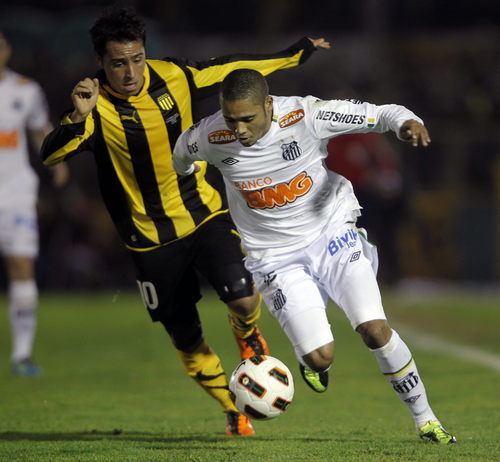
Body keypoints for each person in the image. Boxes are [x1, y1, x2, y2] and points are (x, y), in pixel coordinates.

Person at [40, 6, 329, 436]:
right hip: (149, 240)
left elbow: (233, 69)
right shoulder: (93, 105)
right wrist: (76, 117)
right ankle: (233, 406)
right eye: (118, 63)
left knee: (244, 299)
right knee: (187, 339)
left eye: (137, 59)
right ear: (100, 61)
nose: (130, 72)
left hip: (204, 214)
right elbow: (51, 155)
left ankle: (247, 335)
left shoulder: (173, 76)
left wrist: (295, 54)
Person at [172, 68, 457, 444]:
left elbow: (381, 113)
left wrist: (407, 122)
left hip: (331, 234)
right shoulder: (209, 136)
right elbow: (181, 158)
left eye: (247, 119)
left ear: (268, 105)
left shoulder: (306, 115)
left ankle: (426, 420)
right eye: (231, 119)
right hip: (274, 257)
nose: (238, 129)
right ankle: (313, 353)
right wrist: (193, 185)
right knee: (319, 357)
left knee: (374, 329)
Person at [0, 31, 68, 376]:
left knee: (21, 266)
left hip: (15, 192)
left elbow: (40, 130)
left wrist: (57, 161)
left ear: (7, 50)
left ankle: (22, 354)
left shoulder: (25, 90)